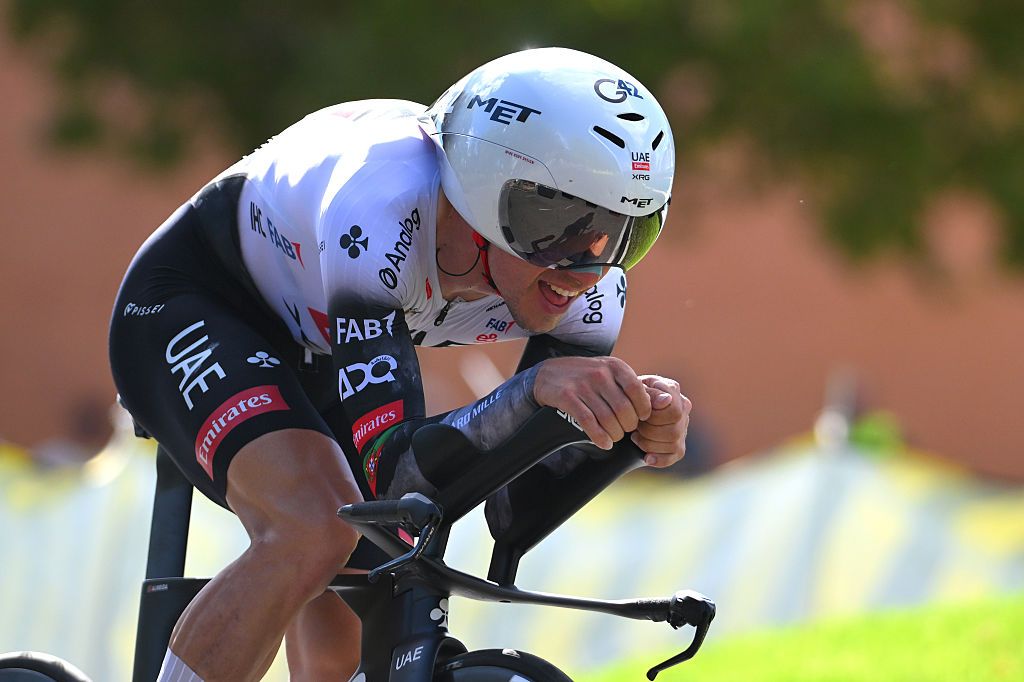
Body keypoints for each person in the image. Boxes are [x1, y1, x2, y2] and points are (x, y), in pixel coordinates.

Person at [109, 47, 691, 682]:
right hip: (201, 299)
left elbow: (516, 508)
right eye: (559, 226)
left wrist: (621, 438)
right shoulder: (382, 207)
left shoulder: (594, 286)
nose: (585, 269)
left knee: (369, 583)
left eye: (627, 231)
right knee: (311, 528)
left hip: (323, 340)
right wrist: (533, 392)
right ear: (479, 190)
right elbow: (401, 469)